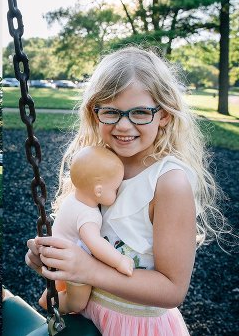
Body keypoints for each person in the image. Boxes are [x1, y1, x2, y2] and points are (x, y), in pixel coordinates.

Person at [24, 47, 229, 335]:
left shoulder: (168, 182)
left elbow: (172, 290)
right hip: (87, 315)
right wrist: (53, 259)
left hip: (136, 325)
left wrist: (88, 270)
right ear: (95, 114)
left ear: (165, 115)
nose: (123, 125)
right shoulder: (97, 163)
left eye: (141, 113)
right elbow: (80, 241)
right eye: (111, 112)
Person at [37, 145, 131, 314]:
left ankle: (48, 296)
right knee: (77, 304)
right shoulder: (89, 215)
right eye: (115, 189)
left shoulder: (72, 199)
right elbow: (95, 243)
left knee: (62, 285)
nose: (117, 192)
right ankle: (51, 303)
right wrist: (119, 261)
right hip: (70, 263)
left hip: (59, 256)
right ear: (99, 191)